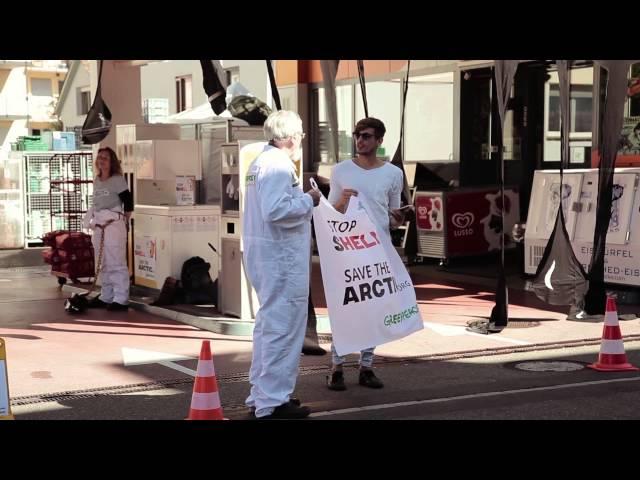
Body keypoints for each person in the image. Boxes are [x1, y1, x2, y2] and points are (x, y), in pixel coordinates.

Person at [243, 110, 321, 419]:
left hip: (267, 256)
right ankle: (272, 403)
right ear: (289, 137)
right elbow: (276, 210)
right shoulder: (277, 165)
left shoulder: (260, 162)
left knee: (269, 329)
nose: (302, 139)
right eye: (301, 134)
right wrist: (309, 199)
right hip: (281, 260)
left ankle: (263, 396)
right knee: (283, 330)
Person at [326, 117, 406, 391]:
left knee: (374, 308)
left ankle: (366, 366)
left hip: (379, 249)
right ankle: (336, 366)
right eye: (357, 135)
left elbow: (394, 218)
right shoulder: (341, 170)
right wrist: (342, 202)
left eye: (367, 136)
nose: (360, 140)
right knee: (345, 307)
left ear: (379, 140)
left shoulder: (393, 174)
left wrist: (398, 218)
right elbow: (331, 212)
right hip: (348, 249)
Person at [84, 147, 133, 311]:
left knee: (115, 261)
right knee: (102, 261)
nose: (101, 160)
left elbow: (128, 200)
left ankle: (121, 298)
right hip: (99, 224)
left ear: (111, 161)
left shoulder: (117, 179)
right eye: (99, 157)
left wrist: (124, 219)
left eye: (105, 157)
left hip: (113, 224)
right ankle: (107, 295)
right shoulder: (97, 180)